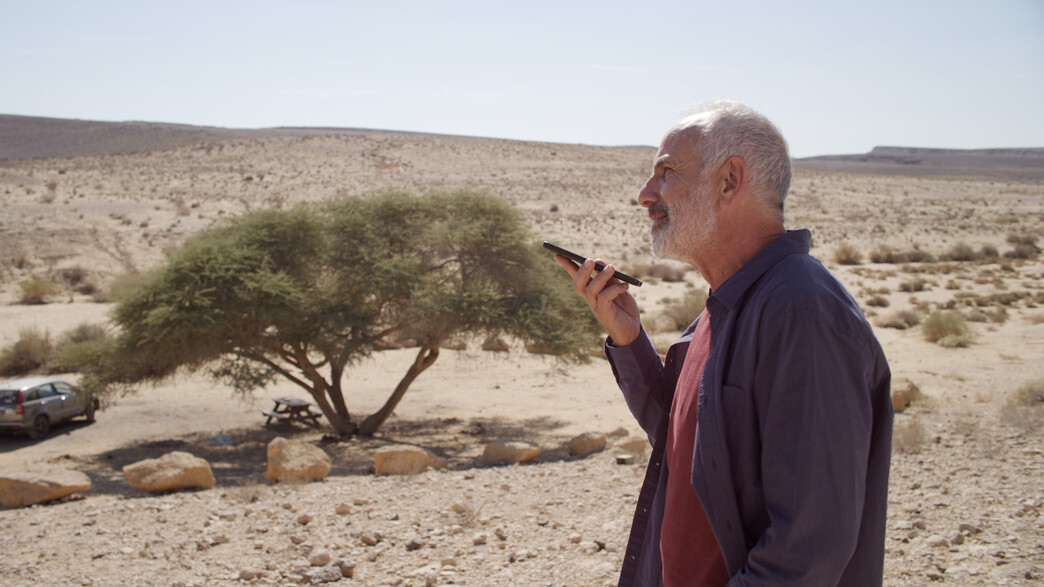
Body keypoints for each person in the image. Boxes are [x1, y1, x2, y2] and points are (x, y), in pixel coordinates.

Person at [554, 100, 892, 586]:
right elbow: (687, 446)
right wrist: (629, 340)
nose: (645, 194)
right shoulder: (728, 304)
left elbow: (807, 551)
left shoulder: (801, 314)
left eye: (666, 172)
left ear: (730, 180)